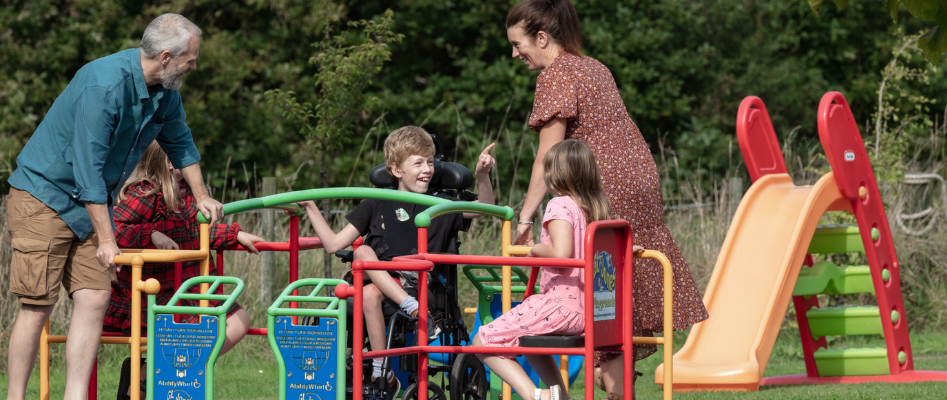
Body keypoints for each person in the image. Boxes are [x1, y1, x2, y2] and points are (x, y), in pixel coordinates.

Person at [4, 14, 224, 400]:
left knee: (95, 297)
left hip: (89, 203)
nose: (195, 65)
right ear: (167, 57)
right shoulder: (104, 85)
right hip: (44, 197)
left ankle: (75, 396)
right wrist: (107, 238)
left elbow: (182, 144)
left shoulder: (165, 94)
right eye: (191, 58)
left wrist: (202, 195)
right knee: (38, 304)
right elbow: (88, 167)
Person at [503, 0, 708, 397]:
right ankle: (615, 377)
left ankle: (613, 384)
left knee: (604, 298)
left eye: (517, 44)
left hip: (606, 184)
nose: (514, 54)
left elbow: (548, 154)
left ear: (541, 38)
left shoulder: (556, 75)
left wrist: (525, 217)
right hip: (642, 181)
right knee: (620, 290)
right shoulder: (595, 66)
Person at [299, 126, 496, 399]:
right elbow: (334, 245)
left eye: (430, 161)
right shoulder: (377, 201)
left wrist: (483, 175)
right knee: (362, 255)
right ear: (396, 169)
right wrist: (310, 206)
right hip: (380, 278)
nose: (427, 169)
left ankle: (382, 369)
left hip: (418, 281)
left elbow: (484, 209)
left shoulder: (441, 203)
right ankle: (386, 366)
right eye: (418, 163)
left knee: (368, 288)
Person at [105, 141, 264, 398]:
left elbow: (199, 232)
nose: (195, 162)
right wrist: (152, 234)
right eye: (188, 156)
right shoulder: (144, 193)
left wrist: (236, 235)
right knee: (197, 334)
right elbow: (110, 230)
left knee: (238, 321)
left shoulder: (189, 194)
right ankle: (151, 377)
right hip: (153, 296)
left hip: (187, 292)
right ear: (170, 161)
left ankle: (152, 374)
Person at [475, 139, 624, 400]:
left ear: (555, 173)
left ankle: (535, 395)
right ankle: (560, 396)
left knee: (482, 341)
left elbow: (561, 253)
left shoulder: (560, 205)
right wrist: (541, 245)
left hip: (559, 307)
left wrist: (535, 250)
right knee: (530, 342)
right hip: (592, 311)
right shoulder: (597, 207)